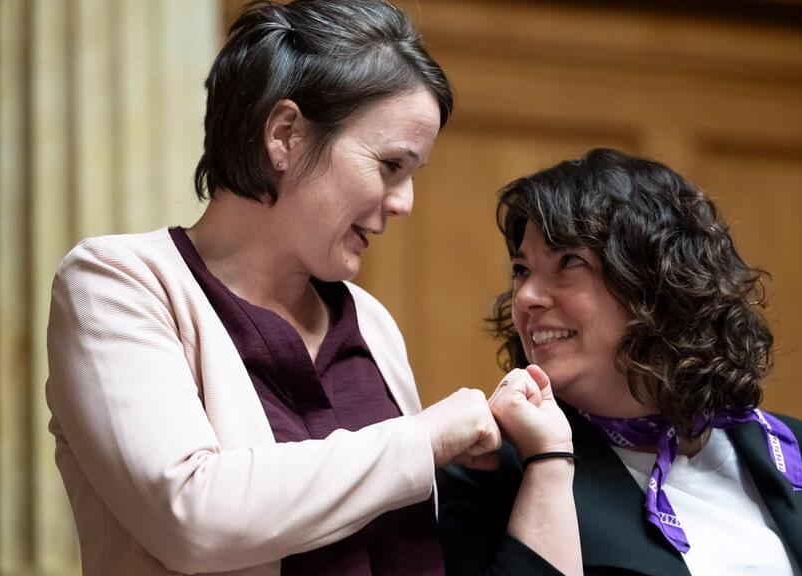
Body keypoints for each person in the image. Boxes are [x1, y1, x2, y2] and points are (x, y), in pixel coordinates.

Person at [45, 1, 570, 574]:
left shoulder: (371, 321)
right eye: (390, 165)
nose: (404, 203)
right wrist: (424, 440)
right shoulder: (117, 283)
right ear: (285, 135)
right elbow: (189, 515)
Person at [438, 148, 802, 575]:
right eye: (521, 270)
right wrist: (548, 462)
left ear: (656, 283)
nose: (525, 297)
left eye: (569, 262)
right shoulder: (491, 471)